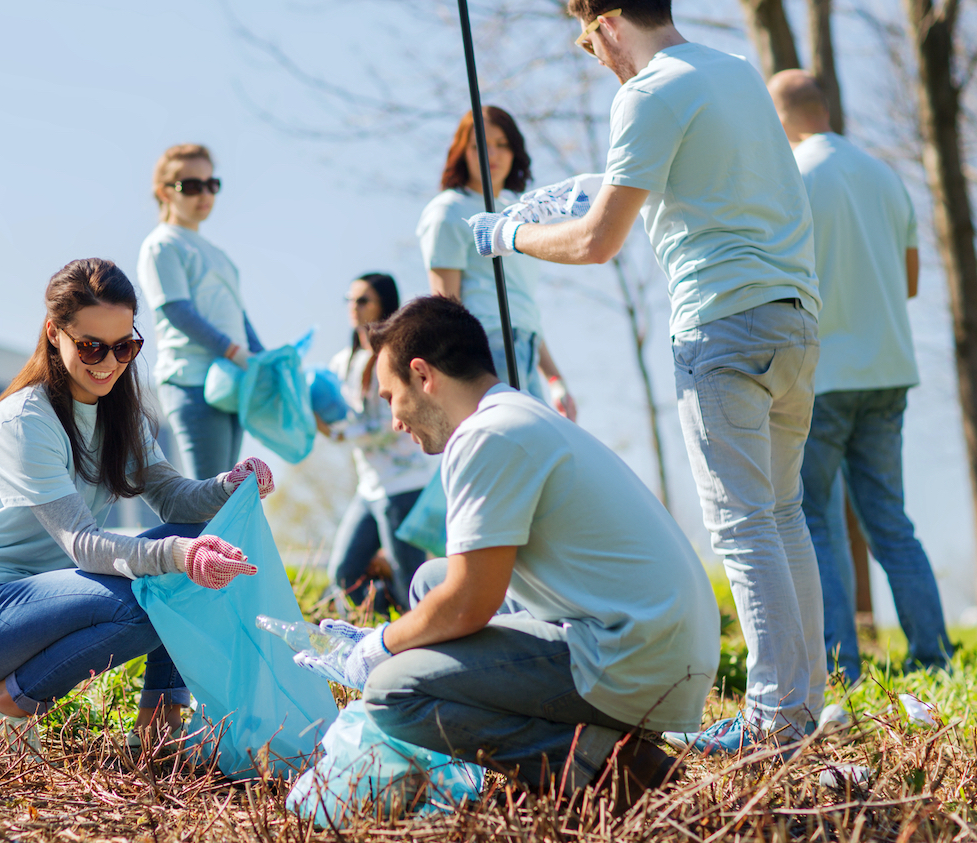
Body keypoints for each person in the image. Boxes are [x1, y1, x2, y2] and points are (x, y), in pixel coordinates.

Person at [466, 0, 824, 752]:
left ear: (606, 23)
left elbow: (598, 243)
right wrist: (603, 177)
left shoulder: (648, 91)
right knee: (783, 515)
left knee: (744, 524)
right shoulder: (733, 72)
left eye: (586, 38)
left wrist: (511, 234)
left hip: (720, 326)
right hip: (793, 319)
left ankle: (773, 724)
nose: (595, 58)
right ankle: (798, 711)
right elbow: (710, 178)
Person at [296, 296, 718, 810]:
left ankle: (607, 765)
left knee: (392, 692)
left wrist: (380, 645)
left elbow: (469, 604)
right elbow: (456, 591)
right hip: (654, 642)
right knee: (430, 581)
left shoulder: (487, 437)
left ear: (423, 375)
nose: (394, 420)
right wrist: (401, 638)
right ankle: (586, 745)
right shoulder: (516, 416)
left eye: (390, 397)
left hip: (635, 659)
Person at [0, 258, 273, 754]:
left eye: (124, 346)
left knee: (197, 546)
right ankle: (7, 700)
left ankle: (160, 730)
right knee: (159, 596)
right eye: (90, 346)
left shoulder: (121, 416)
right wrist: (176, 558)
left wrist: (228, 485)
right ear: (54, 332)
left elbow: (176, 499)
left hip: (51, 600)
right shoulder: (25, 421)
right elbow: (83, 545)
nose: (108, 362)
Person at [767, 70, 953, 685]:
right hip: (890, 371)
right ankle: (934, 656)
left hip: (824, 374)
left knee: (813, 517)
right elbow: (909, 283)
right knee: (890, 520)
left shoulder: (792, 177)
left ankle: (842, 666)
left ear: (784, 116)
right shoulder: (885, 175)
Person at [418, 107, 577, 418]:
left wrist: (555, 378)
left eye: (502, 144)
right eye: (479, 145)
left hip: (525, 348)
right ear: (462, 152)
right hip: (487, 348)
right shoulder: (449, 211)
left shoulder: (516, 215)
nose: (492, 154)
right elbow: (445, 307)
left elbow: (522, 307)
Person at [137, 144, 266, 479]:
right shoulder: (162, 244)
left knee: (223, 495)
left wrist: (263, 359)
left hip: (232, 380)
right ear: (164, 192)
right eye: (192, 185)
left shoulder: (218, 253)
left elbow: (239, 316)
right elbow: (177, 311)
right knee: (207, 498)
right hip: (192, 380)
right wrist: (235, 351)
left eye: (212, 184)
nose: (205, 194)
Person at [324, 273, 437, 612]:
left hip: (403, 483)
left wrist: (341, 433)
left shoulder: (395, 356)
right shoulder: (342, 360)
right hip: (369, 486)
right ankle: (389, 634)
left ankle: (424, 644)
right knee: (343, 574)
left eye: (363, 300)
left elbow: (395, 421)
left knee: (411, 583)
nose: (353, 308)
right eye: (350, 300)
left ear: (382, 305)